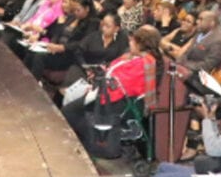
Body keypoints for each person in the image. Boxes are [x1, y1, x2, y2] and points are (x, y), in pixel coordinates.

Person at [60, 25, 160, 159]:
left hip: (116, 102)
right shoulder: (133, 57)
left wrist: (98, 87)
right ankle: (89, 141)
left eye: (132, 41)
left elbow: (121, 85)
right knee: (70, 104)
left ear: (140, 43)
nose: (129, 43)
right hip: (108, 95)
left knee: (69, 111)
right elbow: (113, 72)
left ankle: (93, 141)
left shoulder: (144, 63)